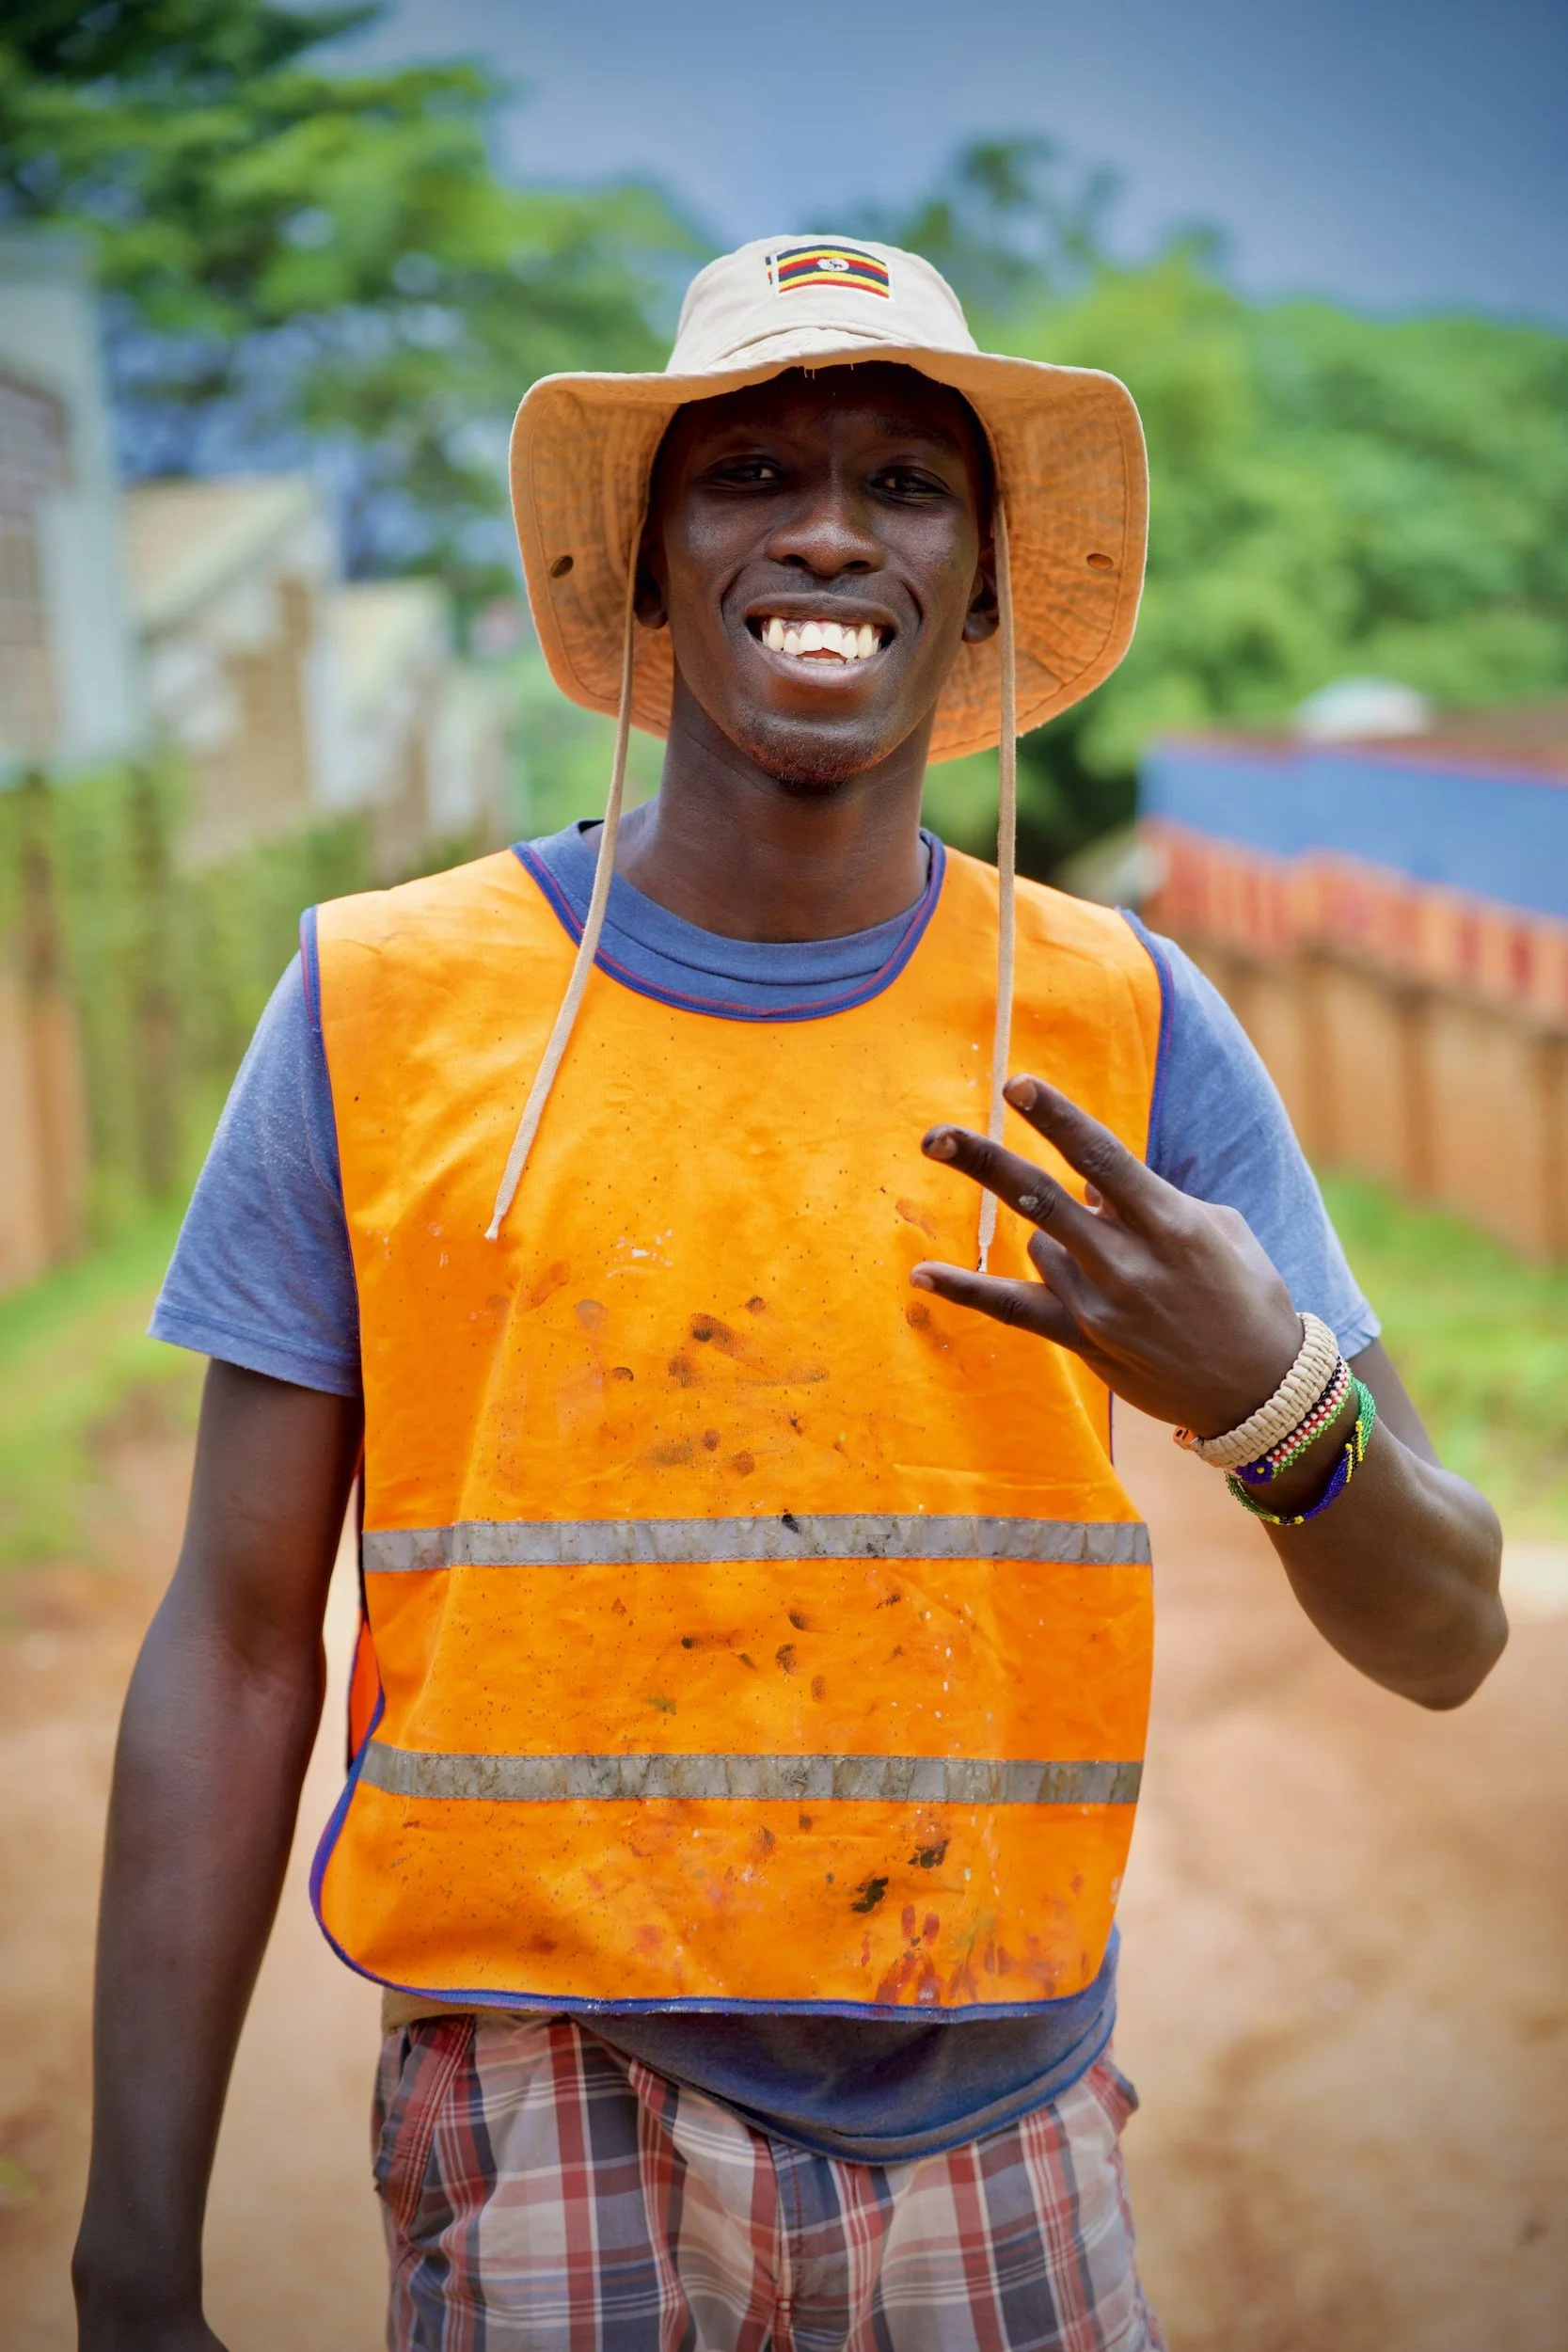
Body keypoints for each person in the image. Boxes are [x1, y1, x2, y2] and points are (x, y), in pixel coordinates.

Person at [73, 237, 1505, 2352]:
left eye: (902, 483)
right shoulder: (387, 1001)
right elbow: (232, 1634)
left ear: (984, 580)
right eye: (746, 474)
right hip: (540, 2093)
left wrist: (1269, 1398)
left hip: (1001, 2130)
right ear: (646, 569)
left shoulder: (1122, 1021)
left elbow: (1451, 1628)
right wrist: (130, 2253)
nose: (827, 527)